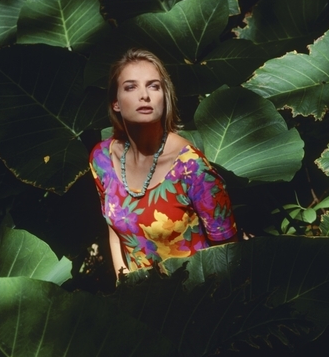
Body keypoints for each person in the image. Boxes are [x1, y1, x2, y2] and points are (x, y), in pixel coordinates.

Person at [90, 48, 238, 278]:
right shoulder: (102, 159)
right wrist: (123, 282)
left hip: (196, 292)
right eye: (130, 87)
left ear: (164, 98)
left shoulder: (192, 167)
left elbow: (227, 252)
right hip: (138, 293)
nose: (144, 95)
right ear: (115, 103)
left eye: (154, 86)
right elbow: (114, 227)